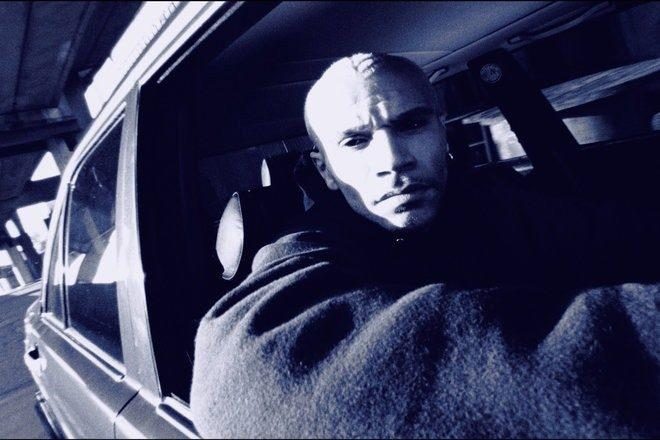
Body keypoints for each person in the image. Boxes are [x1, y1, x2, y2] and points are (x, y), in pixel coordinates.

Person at [191, 53, 659, 438]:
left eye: (412, 124)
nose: (393, 160)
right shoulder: (302, 250)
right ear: (325, 170)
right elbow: (245, 378)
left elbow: (620, 236)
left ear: (443, 132)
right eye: (355, 142)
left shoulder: (500, 201)